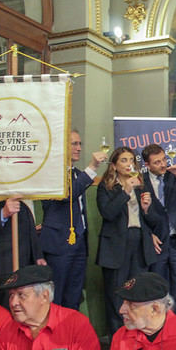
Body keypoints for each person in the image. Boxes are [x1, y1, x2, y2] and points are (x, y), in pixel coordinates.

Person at [96, 146, 167, 337]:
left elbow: (152, 220)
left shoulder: (140, 184)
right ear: (114, 166)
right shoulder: (107, 187)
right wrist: (125, 191)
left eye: (131, 160)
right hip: (116, 246)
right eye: (124, 161)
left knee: (138, 293)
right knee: (116, 294)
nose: (129, 164)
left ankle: (138, 338)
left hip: (139, 244)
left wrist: (146, 209)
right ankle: (117, 340)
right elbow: (108, 213)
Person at [40, 129, 107, 310]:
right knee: (57, 296)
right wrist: (92, 167)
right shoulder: (50, 173)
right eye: (74, 144)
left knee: (74, 296)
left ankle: (71, 335)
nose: (78, 148)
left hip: (79, 242)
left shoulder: (77, 174)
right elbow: (67, 194)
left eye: (79, 144)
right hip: (59, 244)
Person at [141, 143, 176, 318]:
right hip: (157, 242)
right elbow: (136, 213)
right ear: (147, 165)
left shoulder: (173, 176)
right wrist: (148, 234)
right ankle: (159, 322)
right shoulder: (140, 181)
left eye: (164, 159)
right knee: (158, 284)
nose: (163, 164)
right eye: (157, 162)